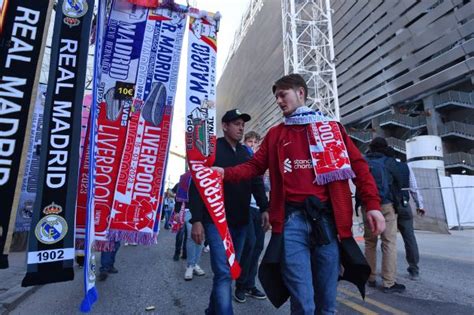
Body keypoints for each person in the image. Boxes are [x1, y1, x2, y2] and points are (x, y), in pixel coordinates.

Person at [213, 74, 385, 314]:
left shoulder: (331, 129)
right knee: (303, 303)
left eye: (283, 95)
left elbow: (358, 166)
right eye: (276, 97)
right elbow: (254, 167)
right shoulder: (276, 134)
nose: (279, 101)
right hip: (291, 222)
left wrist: (373, 205)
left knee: (326, 303)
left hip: (326, 222)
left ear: (300, 93)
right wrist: (225, 173)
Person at [189, 109, 269, 315]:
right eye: (236, 123)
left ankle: (211, 310)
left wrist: (264, 207)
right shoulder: (211, 150)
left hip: (241, 222)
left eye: (243, 124)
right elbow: (197, 184)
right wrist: (196, 220)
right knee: (224, 273)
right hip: (216, 222)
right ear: (224, 126)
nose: (241, 127)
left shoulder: (246, 154)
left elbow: (256, 182)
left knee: (228, 273)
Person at [364, 137, 405, 293]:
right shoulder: (389, 161)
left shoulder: (364, 160)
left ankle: (371, 277)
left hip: (367, 206)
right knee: (389, 242)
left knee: (370, 242)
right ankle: (388, 282)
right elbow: (399, 181)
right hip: (386, 204)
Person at [234, 131, 267, 302]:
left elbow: (262, 186)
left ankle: (249, 284)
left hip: (258, 209)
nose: (252, 144)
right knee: (249, 245)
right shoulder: (241, 157)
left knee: (258, 247)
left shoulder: (259, 161)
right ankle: (240, 284)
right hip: (245, 207)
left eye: (255, 142)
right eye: (249, 141)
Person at [385, 147, 426, 280]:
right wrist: (420, 205)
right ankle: (414, 269)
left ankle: (388, 272)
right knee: (409, 237)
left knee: (388, 240)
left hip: (389, 205)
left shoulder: (384, 166)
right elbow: (413, 188)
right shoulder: (406, 167)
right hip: (404, 205)